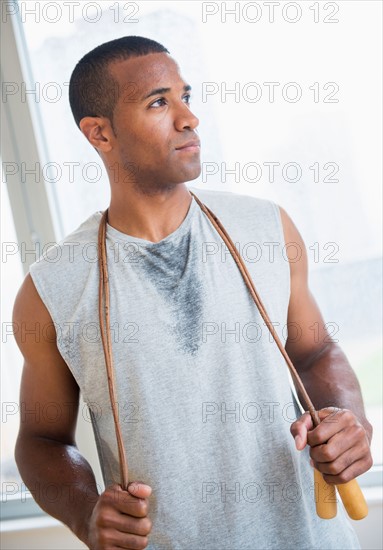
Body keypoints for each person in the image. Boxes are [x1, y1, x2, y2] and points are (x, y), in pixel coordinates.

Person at [13, 36, 372, 550]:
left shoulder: (266, 228)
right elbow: (41, 440)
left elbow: (315, 353)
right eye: (159, 102)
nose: (189, 118)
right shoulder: (53, 288)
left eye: (187, 96)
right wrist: (84, 511)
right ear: (99, 133)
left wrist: (350, 421)